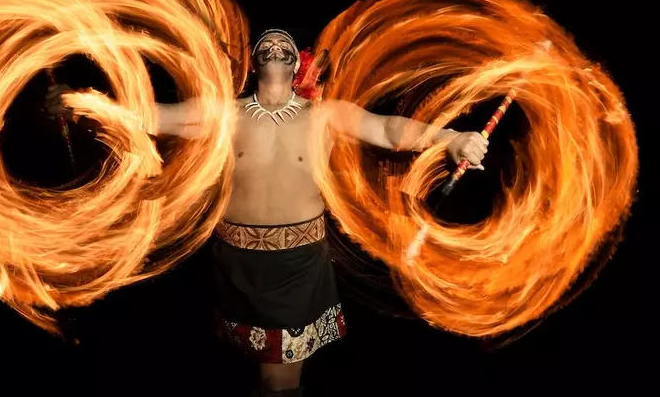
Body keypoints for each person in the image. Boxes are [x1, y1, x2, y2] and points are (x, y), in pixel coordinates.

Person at [45, 29, 488, 396]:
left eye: (285, 44)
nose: (275, 46)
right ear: (255, 64)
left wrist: (449, 139)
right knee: (256, 371)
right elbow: (153, 117)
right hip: (238, 262)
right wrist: (84, 102)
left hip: (298, 264)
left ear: (297, 66)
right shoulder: (224, 114)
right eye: (267, 44)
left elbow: (388, 130)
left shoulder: (324, 115)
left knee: (279, 379)